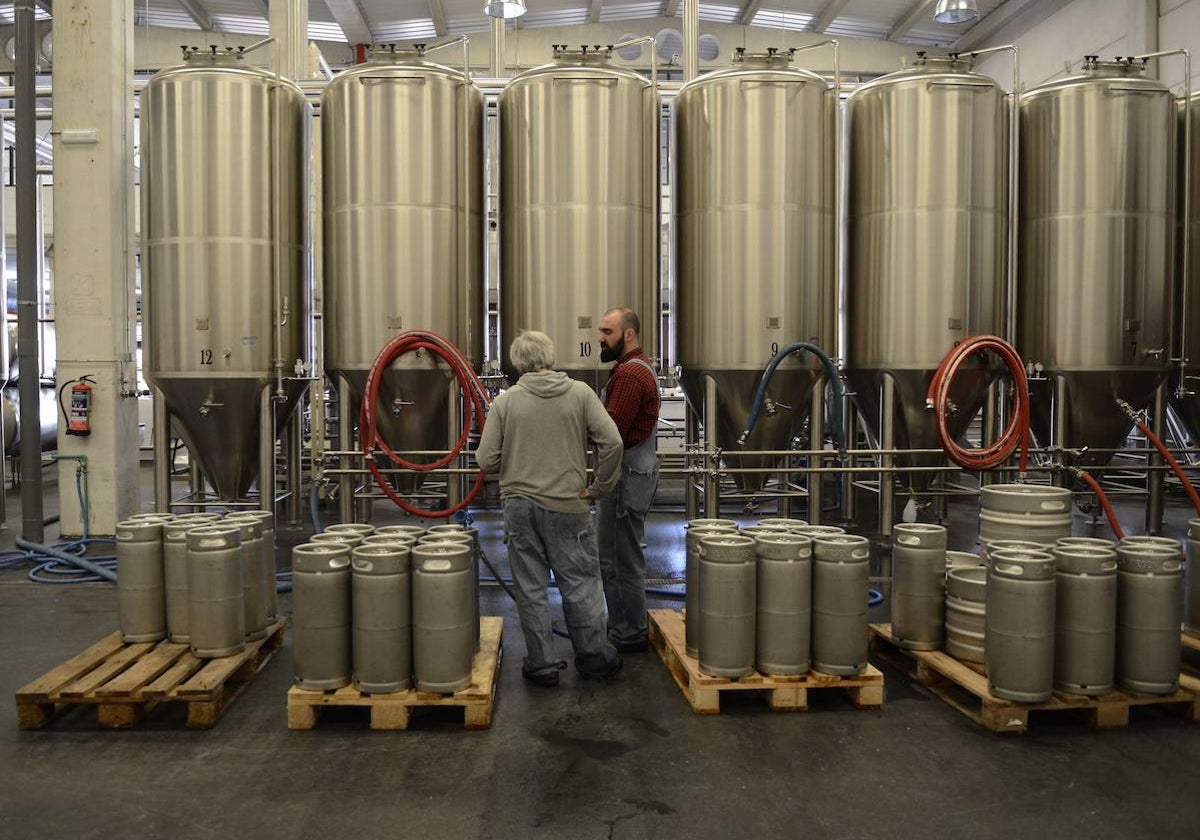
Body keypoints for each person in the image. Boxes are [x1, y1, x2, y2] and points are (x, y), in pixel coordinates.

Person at [475, 330, 625, 686]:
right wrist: (599, 488)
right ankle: (593, 658)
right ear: (551, 358)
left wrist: (514, 459)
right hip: (568, 505)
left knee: (531, 588)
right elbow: (613, 441)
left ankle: (541, 665)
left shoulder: (506, 402)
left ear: (518, 364)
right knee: (581, 584)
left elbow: (485, 459)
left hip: (520, 508)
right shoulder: (580, 393)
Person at [596, 307, 660, 653]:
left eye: (607, 331)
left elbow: (611, 432)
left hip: (624, 479)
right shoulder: (635, 368)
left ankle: (628, 631)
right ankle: (626, 625)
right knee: (623, 554)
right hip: (636, 473)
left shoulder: (631, 376)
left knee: (618, 558)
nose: (600, 338)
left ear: (629, 334)